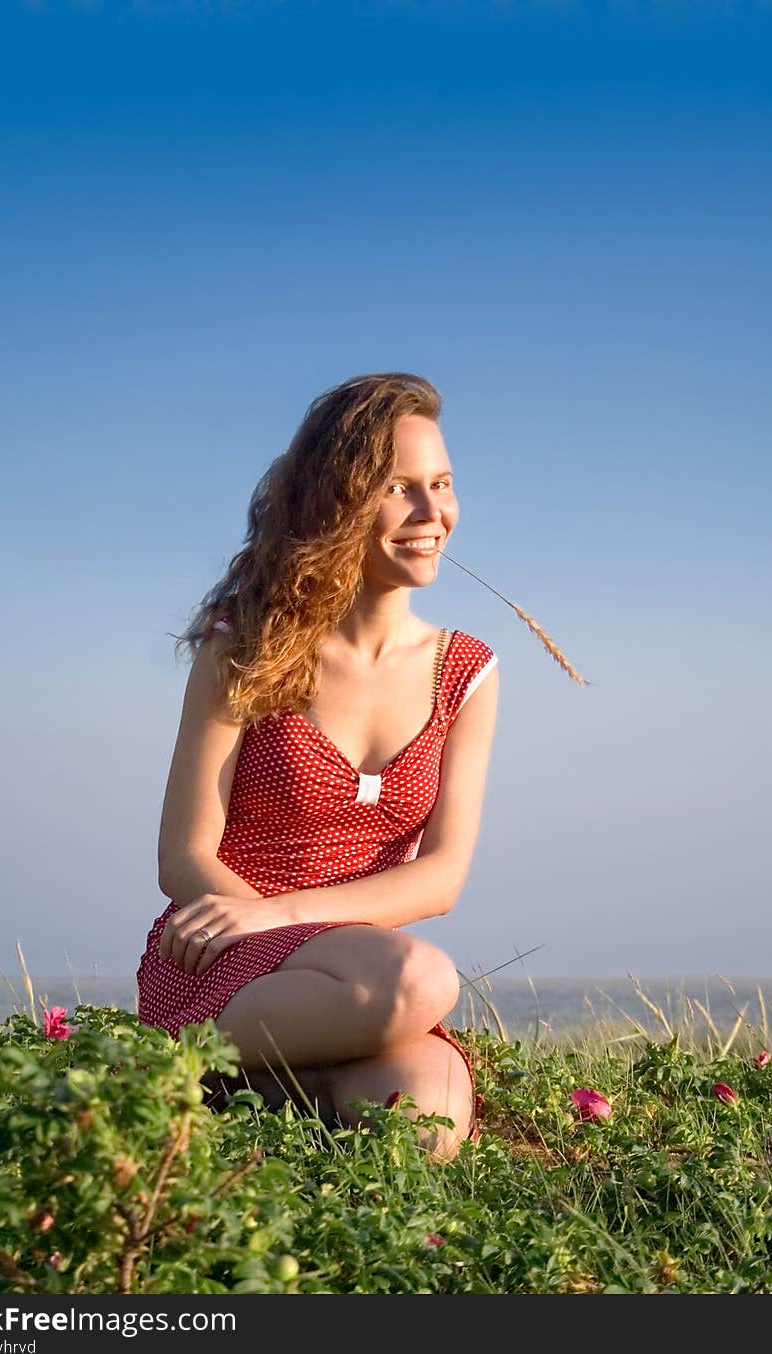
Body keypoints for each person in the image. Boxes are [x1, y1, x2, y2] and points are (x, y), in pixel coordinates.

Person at [137, 372, 499, 1159]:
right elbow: (183, 856)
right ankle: (166, 1062)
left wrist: (285, 915)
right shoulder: (247, 642)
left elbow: (440, 879)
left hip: (351, 971)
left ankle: (254, 1094)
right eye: (399, 489)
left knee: (425, 1119)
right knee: (422, 983)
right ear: (336, 500)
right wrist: (257, 920)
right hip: (222, 952)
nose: (433, 514)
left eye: (441, 485)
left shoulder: (467, 671)